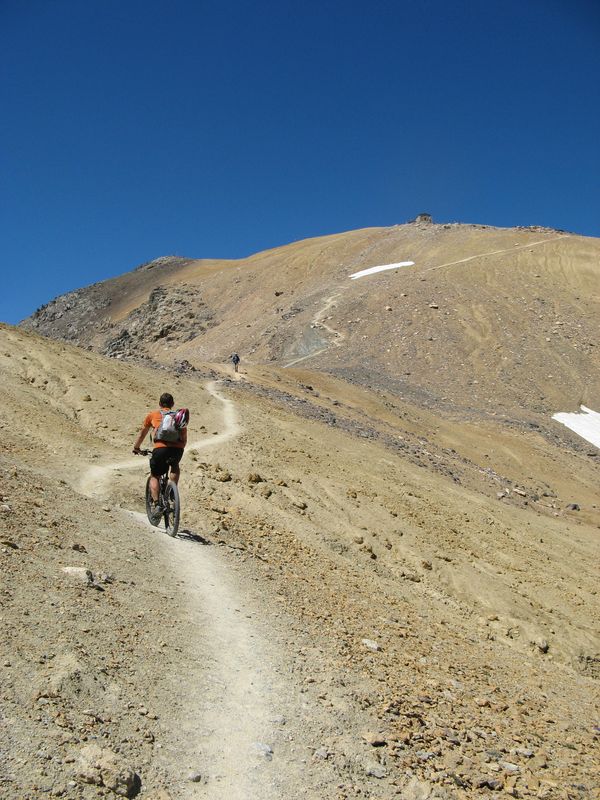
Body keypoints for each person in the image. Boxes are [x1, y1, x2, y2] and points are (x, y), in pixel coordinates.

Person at [132, 392, 187, 514]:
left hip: (160, 449)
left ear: (159, 404)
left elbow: (142, 434)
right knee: (175, 467)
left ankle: (157, 505)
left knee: (155, 476)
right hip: (177, 449)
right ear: (172, 404)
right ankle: (173, 490)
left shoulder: (153, 415)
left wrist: (136, 447)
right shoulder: (178, 417)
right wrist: (179, 447)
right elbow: (184, 437)